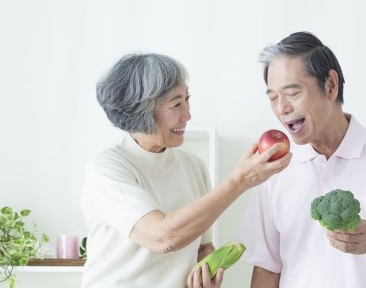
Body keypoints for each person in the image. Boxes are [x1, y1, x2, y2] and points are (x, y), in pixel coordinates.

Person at [237, 32, 366, 288]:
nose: (282, 108)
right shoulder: (273, 170)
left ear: (331, 85)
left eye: (292, 92)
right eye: (272, 97)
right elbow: (267, 268)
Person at [80, 53, 291, 288]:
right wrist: (239, 181)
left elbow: (202, 247)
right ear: (142, 110)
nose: (188, 115)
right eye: (176, 103)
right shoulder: (107, 168)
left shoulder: (193, 166)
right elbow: (163, 237)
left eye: (187, 99)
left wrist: (205, 275)